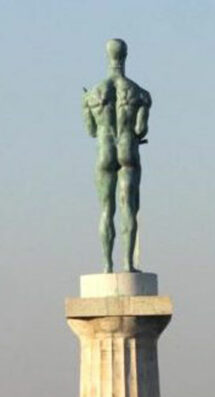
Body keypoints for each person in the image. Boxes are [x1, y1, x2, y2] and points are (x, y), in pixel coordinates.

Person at [83, 38, 152, 273]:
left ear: (107, 56)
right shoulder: (140, 94)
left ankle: (107, 266)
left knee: (106, 210)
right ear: (125, 56)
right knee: (129, 209)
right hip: (128, 151)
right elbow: (141, 129)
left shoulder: (92, 94)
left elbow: (91, 131)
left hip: (105, 151)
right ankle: (128, 264)